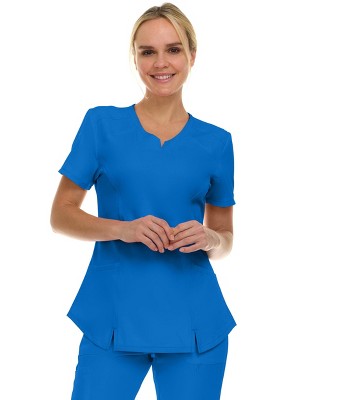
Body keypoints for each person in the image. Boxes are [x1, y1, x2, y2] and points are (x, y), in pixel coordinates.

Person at [50, 3, 236, 399]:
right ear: (134, 58)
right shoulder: (100, 125)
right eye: (147, 51)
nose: (160, 62)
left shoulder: (217, 142)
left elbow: (225, 237)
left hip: (194, 324)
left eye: (173, 49)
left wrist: (209, 238)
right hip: (113, 316)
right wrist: (124, 229)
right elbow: (61, 215)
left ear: (192, 56)